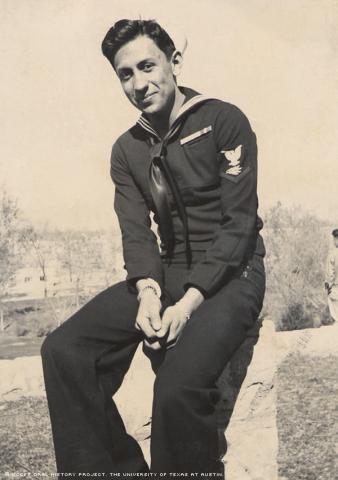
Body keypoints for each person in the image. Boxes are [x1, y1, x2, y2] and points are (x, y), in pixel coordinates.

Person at [41, 19, 266, 477]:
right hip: (165, 270)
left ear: (174, 62)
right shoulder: (127, 149)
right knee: (64, 350)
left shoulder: (224, 120)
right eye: (125, 74)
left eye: (147, 66)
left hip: (232, 273)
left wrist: (185, 305)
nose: (139, 83)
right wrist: (147, 290)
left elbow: (238, 226)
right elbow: (136, 233)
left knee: (177, 389)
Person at [325, 229, 338, 322]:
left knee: (335, 307)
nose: (333, 241)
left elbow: (331, 273)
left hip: (336, 286)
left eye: (334, 239)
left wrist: (328, 285)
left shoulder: (333, 253)